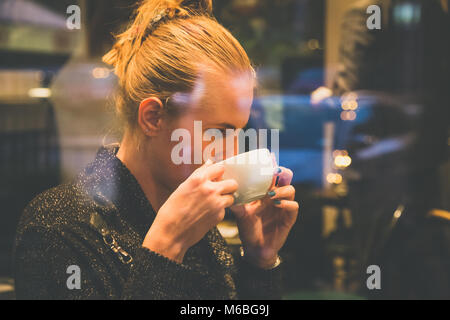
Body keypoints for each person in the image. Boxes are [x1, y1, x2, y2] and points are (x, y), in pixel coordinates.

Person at [13, 0, 299, 300]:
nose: (231, 152)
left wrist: (259, 262)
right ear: (153, 118)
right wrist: (166, 247)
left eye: (239, 132)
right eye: (219, 132)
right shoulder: (57, 228)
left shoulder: (201, 231)